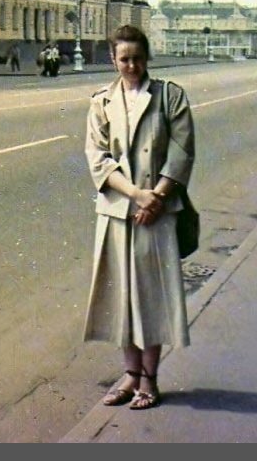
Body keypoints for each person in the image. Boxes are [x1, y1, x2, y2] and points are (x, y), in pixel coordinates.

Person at [83, 24, 195, 411]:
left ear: (147, 58)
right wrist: (135, 195)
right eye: (123, 58)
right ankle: (129, 376)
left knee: (151, 297)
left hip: (158, 213)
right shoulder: (101, 102)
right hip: (118, 212)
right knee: (121, 298)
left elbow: (181, 152)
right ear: (113, 60)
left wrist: (156, 197)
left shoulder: (169, 96)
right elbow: (98, 159)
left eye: (137, 58)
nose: (131, 65)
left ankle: (150, 379)